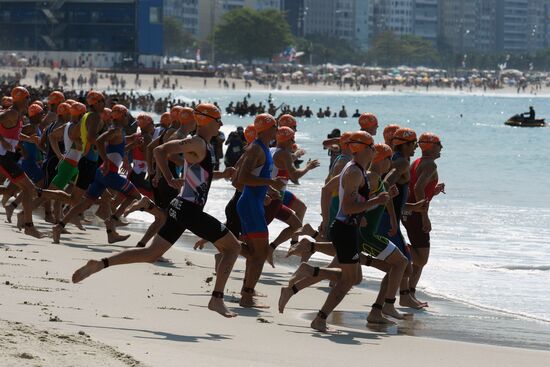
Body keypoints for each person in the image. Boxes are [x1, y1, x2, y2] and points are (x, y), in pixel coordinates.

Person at [71, 103, 241, 318]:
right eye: (218, 121)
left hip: (181, 207)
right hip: (189, 209)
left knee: (151, 253)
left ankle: (101, 263)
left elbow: (200, 174)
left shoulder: (202, 145)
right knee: (232, 248)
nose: (221, 125)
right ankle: (217, 299)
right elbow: (160, 149)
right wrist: (169, 178)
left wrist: (222, 175)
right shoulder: (197, 142)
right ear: (209, 121)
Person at [280, 131, 389, 333]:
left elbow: (330, 189)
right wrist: (376, 201)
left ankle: (308, 270)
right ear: (364, 148)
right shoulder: (355, 172)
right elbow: (347, 207)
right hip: (345, 229)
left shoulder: (354, 168)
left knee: (355, 278)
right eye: (372, 147)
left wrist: (359, 213)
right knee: (348, 280)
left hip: (348, 227)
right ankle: (320, 318)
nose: (374, 150)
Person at [236, 113, 284, 308]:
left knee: (255, 253)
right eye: (275, 128)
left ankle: (246, 291)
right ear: (268, 129)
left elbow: (255, 176)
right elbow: (242, 178)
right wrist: (270, 182)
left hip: (253, 202)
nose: (277, 131)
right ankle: (247, 296)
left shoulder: (263, 147)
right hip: (249, 203)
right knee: (260, 254)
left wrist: (269, 190)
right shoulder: (255, 148)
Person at [402, 132, 445, 305]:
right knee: (421, 258)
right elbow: (419, 188)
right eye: (440, 144)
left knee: (419, 261)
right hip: (416, 215)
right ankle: (397, 248)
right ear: (433, 146)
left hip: (408, 213)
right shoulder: (430, 165)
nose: (442, 148)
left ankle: (410, 294)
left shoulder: (417, 162)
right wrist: (424, 216)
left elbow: (416, 188)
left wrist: (432, 191)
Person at [0, 87, 44, 238]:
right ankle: (28, 226)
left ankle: (28, 225)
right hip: (3, 156)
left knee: (27, 188)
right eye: (27, 97)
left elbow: (15, 134)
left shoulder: (17, 114)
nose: (28, 100)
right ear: (21, 98)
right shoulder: (12, 113)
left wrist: (28, 139)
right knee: (29, 188)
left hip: (6, 156)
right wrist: (2, 142)